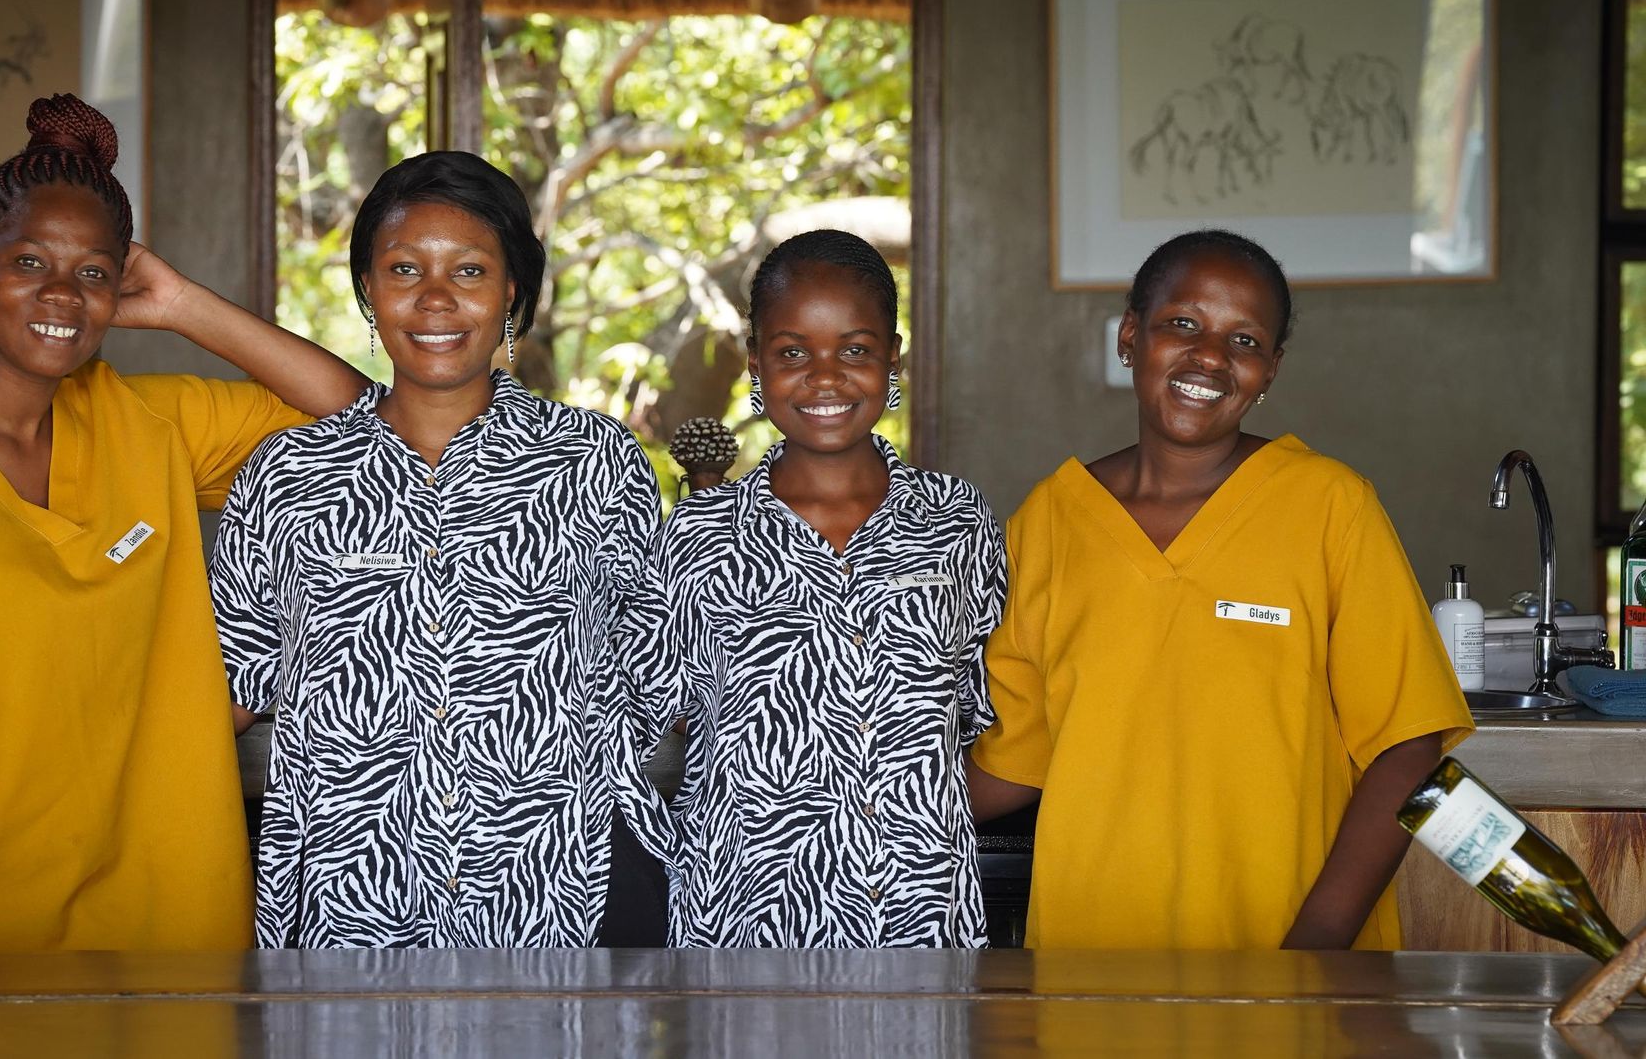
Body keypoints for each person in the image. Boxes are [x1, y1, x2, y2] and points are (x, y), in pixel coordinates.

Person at [0, 94, 368, 953]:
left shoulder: (147, 422)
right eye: (29, 262)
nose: (61, 293)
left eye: (93, 272)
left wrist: (181, 306)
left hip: (164, 917)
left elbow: (359, 423)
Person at [967, 229, 1473, 950]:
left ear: (1270, 370)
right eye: (1182, 324)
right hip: (1093, 960)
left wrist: (1319, 941)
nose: (1210, 356)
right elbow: (1016, 757)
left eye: (1245, 340)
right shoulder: (1049, 519)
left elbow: (1409, 743)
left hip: (1286, 960)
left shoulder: (1331, 505)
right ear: (1131, 337)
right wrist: (848, 799)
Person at [211, 150, 665, 948]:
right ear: (367, 290)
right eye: (404, 268)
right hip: (347, 907)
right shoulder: (289, 477)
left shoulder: (594, 461)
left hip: (555, 898)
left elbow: (657, 669)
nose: (436, 299)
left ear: (511, 292)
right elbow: (231, 684)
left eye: (470, 270)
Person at [620, 230, 1007, 948]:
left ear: (893, 357)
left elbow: (989, 723)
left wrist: (913, 817)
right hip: (739, 932)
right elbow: (635, 733)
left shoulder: (957, 520)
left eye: (855, 349)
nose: (824, 377)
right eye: (793, 351)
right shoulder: (698, 534)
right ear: (757, 363)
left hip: (919, 925)